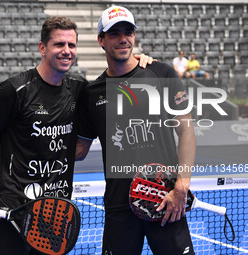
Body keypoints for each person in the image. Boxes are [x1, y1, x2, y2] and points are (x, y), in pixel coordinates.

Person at [0, 16, 153, 255]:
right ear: (42, 48)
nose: (66, 51)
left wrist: (139, 63)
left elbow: (82, 146)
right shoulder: (16, 90)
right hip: (13, 212)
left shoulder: (79, 89)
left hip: (55, 214)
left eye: (71, 45)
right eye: (59, 45)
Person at [76, 6, 196, 255]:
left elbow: (186, 131)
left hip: (166, 198)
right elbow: (79, 150)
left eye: (128, 31)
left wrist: (182, 186)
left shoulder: (160, 73)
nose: (123, 38)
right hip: (120, 207)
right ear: (101, 40)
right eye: (114, 33)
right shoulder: (91, 93)